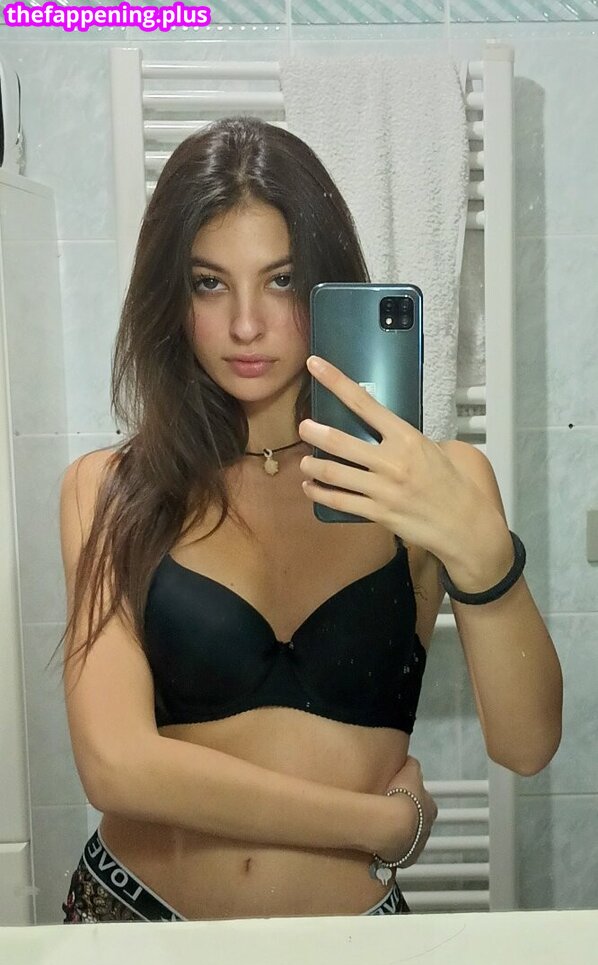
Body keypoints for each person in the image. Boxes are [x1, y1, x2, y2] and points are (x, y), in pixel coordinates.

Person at [59, 116, 562, 924]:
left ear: (327, 283)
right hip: (137, 924)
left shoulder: (440, 483)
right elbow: (116, 766)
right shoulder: (110, 490)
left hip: (352, 946)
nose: (246, 324)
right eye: (209, 283)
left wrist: (483, 556)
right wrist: (379, 824)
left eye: (282, 280)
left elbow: (527, 746)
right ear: (170, 297)